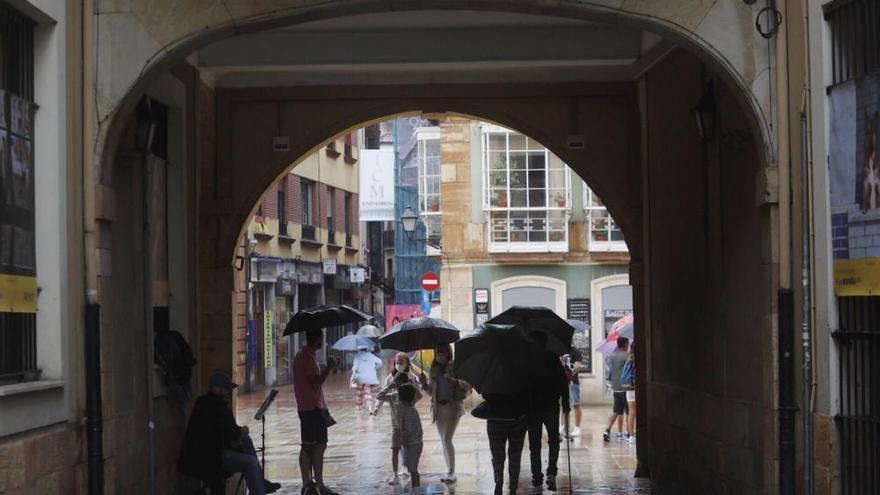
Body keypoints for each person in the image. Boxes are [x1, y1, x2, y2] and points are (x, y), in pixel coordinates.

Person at [178, 373, 281, 495]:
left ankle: (260, 482)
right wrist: (241, 431)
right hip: (210, 457)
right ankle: (259, 487)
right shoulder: (216, 405)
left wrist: (239, 432)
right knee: (251, 462)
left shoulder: (204, 401)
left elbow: (226, 429)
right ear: (217, 388)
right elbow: (232, 433)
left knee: (246, 440)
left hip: (211, 451)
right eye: (227, 389)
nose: (229, 392)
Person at [293, 328, 339, 495]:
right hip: (312, 408)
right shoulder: (308, 358)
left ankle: (308, 484)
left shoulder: (300, 355)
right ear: (318, 340)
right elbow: (315, 382)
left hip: (305, 407)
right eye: (322, 339)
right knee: (318, 446)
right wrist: (329, 367)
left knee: (308, 446)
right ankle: (317, 485)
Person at [418, 342, 470, 483]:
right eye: (437, 351)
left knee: (447, 439)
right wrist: (423, 384)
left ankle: (452, 471)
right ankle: (449, 471)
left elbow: (468, 386)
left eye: (442, 351)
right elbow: (430, 392)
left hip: (453, 406)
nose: (439, 354)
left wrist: (457, 382)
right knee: (443, 441)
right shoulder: (433, 369)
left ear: (448, 352)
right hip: (438, 408)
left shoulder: (455, 366)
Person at [527, 332, 570, 491]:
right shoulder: (553, 358)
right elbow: (563, 383)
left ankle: (537, 480)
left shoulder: (529, 360)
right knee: (553, 441)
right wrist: (565, 403)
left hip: (534, 409)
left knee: (534, 445)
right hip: (551, 406)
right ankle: (551, 472)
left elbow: (524, 385)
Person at [373, 352, 422, 485]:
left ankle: (406, 469)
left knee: (407, 451)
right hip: (396, 427)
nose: (398, 365)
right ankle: (395, 474)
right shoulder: (393, 395)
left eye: (401, 362)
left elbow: (419, 394)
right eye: (397, 362)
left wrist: (414, 386)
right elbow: (381, 394)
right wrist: (390, 386)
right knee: (395, 449)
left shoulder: (410, 394)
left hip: (408, 428)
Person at [473, 393, 529, 495]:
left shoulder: (491, 378)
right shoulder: (519, 378)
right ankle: (513, 485)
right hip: (517, 419)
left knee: (497, 455)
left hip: (495, 419)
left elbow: (486, 395)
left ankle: (498, 480)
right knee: (515, 455)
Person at [395, 383, 424, 492]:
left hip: (413, 444)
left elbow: (409, 429)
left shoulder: (408, 411)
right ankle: (415, 488)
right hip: (415, 443)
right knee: (412, 468)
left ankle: (416, 490)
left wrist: (404, 440)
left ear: (401, 397)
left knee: (413, 470)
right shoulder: (409, 407)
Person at [603, 336, 631, 443]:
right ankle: (629, 433)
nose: (628, 346)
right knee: (629, 412)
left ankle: (607, 430)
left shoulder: (612, 356)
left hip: (616, 388)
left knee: (616, 411)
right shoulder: (627, 356)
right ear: (625, 344)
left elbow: (610, 373)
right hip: (625, 387)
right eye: (627, 344)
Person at [560, 346, 585, 439]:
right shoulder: (561, 350)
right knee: (563, 404)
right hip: (562, 382)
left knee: (576, 404)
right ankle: (562, 426)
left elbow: (578, 366)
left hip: (573, 382)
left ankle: (577, 428)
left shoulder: (575, 351)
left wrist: (570, 373)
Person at [351, 346, 382, 411]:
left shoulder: (357, 356)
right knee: (368, 392)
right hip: (369, 378)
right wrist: (374, 367)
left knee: (359, 392)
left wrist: (354, 374)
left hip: (360, 378)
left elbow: (355, 368)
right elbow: (380, 362)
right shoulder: (371, 356)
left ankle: (358, 407)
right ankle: (370, 407)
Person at [625, 347, 636, 443]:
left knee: (631, 412)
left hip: (628, 389)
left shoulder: (629, 360)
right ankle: (634, 434)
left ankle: (631, 436)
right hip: (636, 388)